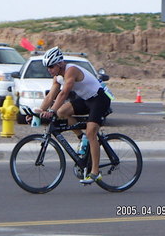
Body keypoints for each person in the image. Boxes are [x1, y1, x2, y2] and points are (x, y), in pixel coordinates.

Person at [36, 46, 111, 184]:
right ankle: (81, 138)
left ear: (60, 64)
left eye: (51, 66)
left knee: (91, 133)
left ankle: (95, 173)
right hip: (86, 99)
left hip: (99, 99)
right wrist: (39, 112)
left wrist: (51, 110)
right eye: (47, 67)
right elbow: (50, 96)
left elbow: (63, 93)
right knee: (62, 112)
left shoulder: (71, 70)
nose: (49, 70)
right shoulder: (57, 77)